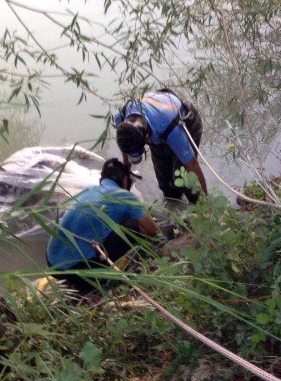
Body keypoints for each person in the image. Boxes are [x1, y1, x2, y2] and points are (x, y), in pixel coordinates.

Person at [46, 158, 159, 295]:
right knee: (132, 226)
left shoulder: (88, 189)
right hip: (77, 269)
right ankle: (92, 282)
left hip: (51, 262)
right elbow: (153, 230)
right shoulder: (124, 196)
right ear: (124, 179)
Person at [114, 89, 207, 204]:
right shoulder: (121, 118)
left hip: (185, 123)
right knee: (165, 183)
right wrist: (126, 171)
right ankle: (174, 206)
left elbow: (192, 164)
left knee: (183, 179)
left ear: (146, 137)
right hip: (158, 128)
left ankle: (201, 208)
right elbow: (125, 146)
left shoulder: (169, 127)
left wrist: (206, 202)